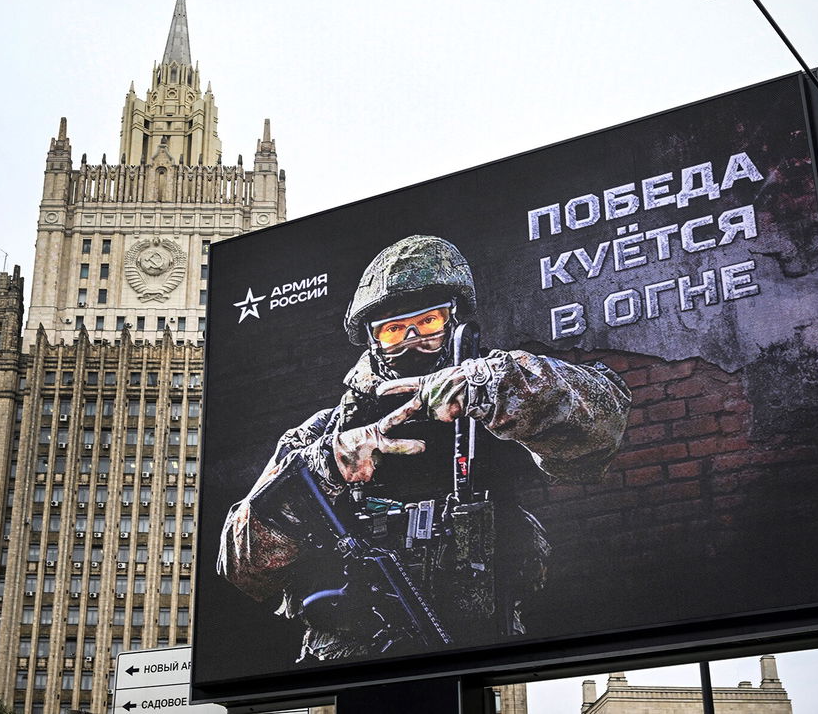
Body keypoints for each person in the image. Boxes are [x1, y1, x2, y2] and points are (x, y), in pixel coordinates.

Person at [217, 235, 631, 661]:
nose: (412, 340)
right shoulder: (323, 433)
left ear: (453, 322)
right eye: (394, 330)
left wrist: (497, 388)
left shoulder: (498, 398)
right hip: (350, 661)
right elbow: (240, 566)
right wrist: (327, 465)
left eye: (428, 323)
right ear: (372, 340)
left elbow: (603, 429)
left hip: (479, 650)